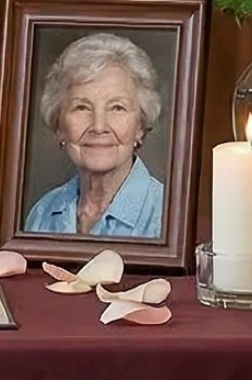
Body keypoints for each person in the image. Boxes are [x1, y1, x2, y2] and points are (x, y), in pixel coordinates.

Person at [21, 31, 166, 241]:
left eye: (117, 108)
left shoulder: (165, 218)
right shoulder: (42, 213)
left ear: (140, 126)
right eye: (81, 107)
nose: (98, 127)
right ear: (60, 125)